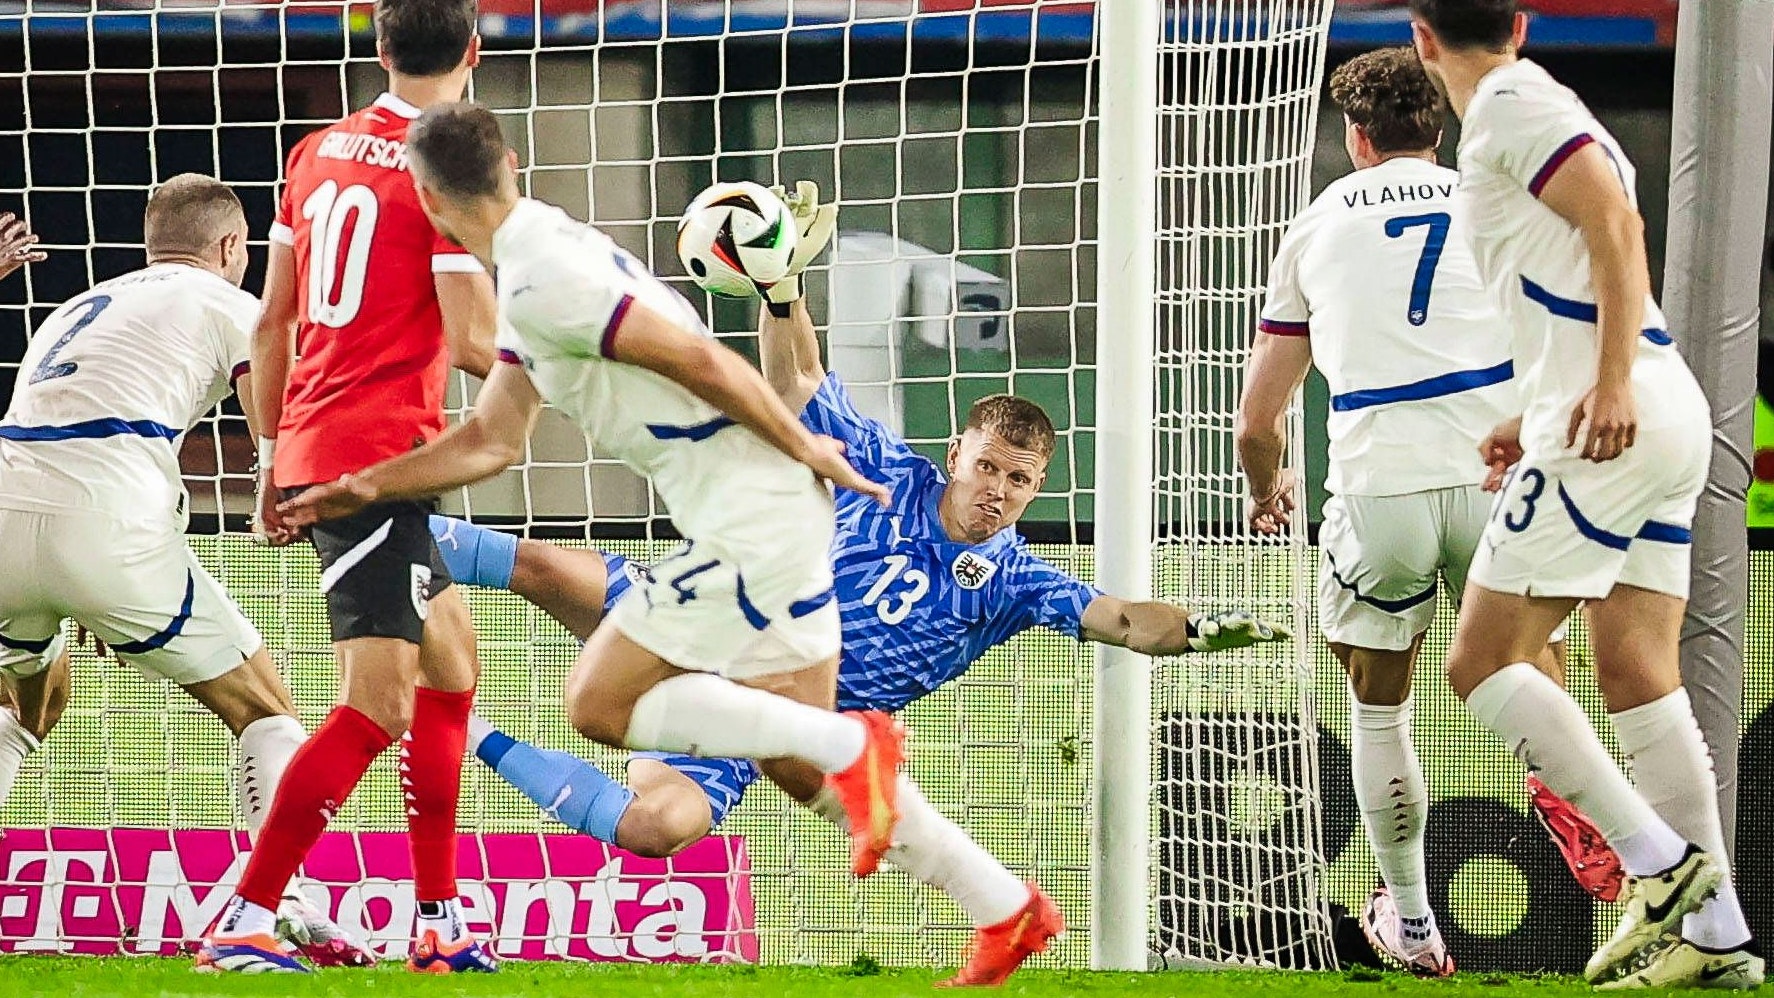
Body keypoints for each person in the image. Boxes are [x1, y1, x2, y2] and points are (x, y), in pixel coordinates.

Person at [422, 179, 1288, 985]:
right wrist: (781, 292)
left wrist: (1202, 628)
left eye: (1019, 481)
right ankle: (394, 537)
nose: (997, 491)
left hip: (784, 700)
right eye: (988, 467)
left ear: (1037, 488)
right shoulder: (888, 469)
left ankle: (468, 733)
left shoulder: (1017, 581)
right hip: (724, 617)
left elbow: (1125, 621)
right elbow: (799, 383)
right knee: (537, 568)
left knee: (658, 826)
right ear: (957, 453)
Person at [276, 99, 953, 970]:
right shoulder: (540, 254)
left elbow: (713, 365)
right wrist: (367, 487)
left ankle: (887, 801)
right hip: (724, 543)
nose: (999, 492)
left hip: (755, 545)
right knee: (571, 635)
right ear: (514, 165)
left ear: (429, 204)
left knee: (686, 761)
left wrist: (794, 438)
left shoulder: (544, 274)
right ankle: (962, 871)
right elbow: (495, 437)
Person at [1235, 46, 1612, 976]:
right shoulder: (1498, 202)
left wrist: (1267, 486)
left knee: (1377, 711)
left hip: (1380, 490)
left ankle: (1411, 919)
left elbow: (1256, 420)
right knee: (1526, 664)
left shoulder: (1314, 228)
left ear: (1357, 138)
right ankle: (1565, 781)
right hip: (1498, 478)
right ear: (1437, 129)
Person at [1409, 0, 1758, 988]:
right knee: (1638, 668)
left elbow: (1614, 220)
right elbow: (1572, 262)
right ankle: (1720, 937)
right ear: (1519, 19)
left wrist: (1598, 386)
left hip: (1619, 407)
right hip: (1650, 407)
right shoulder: (1527, 101)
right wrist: (1541, 403)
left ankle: (1658, 864)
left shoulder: (1513, 104)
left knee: (1481, 661)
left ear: (1421, 36)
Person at [198, 0, 499, 975]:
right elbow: (477, 338)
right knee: (378, 704)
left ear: (376, 50)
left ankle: (439, 921)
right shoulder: (447, 163)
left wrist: (273, 456)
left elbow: (270, 326)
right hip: (378, 459)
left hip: (327, 447)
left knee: (452, 668)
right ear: (473, 52)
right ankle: (246, 917)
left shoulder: (317, 150)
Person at [0, 176, 368, 967]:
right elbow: (274, 401)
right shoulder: (231, 303)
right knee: (267, 706)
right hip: (107, 525)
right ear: (233, 248)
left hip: (5, 516)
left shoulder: (76, 307)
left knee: (28, 703)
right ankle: (279, 902)